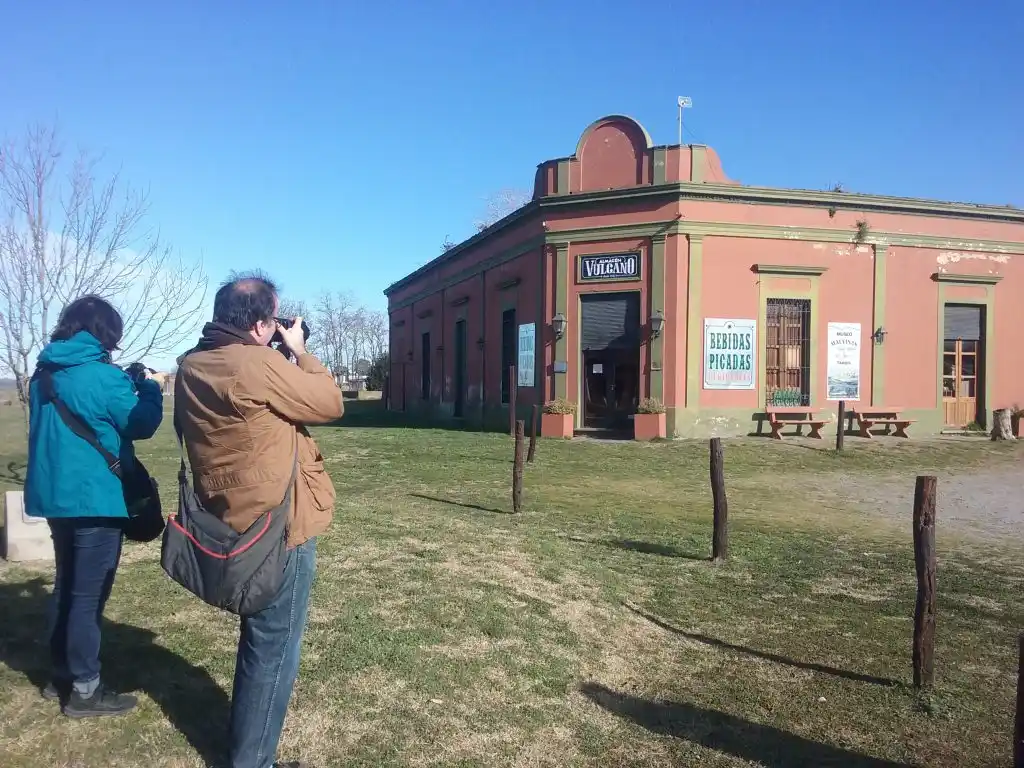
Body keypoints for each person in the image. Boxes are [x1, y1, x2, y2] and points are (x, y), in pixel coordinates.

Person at [174, 272, 344, 768]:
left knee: (259, 641)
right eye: (271, 320)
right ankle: (252, 762)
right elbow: (329, 402)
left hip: (230, 520)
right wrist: (299, 350)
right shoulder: (258, 364)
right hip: (279, 529)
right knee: (272, 650)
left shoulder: (192, 366)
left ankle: (249, 752)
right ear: (259, 323)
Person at [25, 295, 164, 718]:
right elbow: (140, 424)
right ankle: (86, 689)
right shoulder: (104, 378)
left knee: (66, 584)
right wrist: (151, 388)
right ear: (107, 334)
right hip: (95, 500)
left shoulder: (42, 375)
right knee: (88, 596)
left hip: (55, 498)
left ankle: (62, 675)